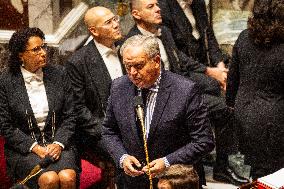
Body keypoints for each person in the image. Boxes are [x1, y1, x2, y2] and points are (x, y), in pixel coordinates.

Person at [102, 35, 214, 189]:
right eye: (128, 66)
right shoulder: (118, 87)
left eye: (139, 65)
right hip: (132, 182)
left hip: (175, 181)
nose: (132, 72)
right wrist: (122, 157)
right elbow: (108, 131)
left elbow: (204, 141)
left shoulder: (185, 90)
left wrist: (168, 161)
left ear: (156, 61)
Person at [157, 0, 249, 185]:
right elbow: (178, 57)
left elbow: (209, 37)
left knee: (225, 89)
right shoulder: (164, 8)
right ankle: (221, 163)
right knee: (222, 104)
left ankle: (220, 156)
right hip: (186, 72)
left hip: (199, 68)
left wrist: (220, 66)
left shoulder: (198, 3)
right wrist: (210, 71)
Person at [0, 27, 78, 188]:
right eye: (36, 49)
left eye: (44, 47)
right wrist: (35, 147)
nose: (43, 52)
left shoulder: (59, 74)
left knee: (67, 177)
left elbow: (70, 115)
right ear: (20, 54)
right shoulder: (6, 82)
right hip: (25, 150)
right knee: (48, 179)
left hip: (59, 145)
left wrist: (59, 143)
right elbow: (5, 126)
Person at [65, 6, 125, 188]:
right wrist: (106, 132)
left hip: (130, 122)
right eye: (109, 22)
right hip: (96, 131)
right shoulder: (78, 62)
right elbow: (78, 108)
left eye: (115, 19)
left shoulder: (128, 49)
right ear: (94, 31)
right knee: (127, 154)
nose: (116, 24)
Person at [226, 0, 284, 180]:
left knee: (259, 173)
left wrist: (232, 106)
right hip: (275, 118)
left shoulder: (244, 37)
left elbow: (232, 80)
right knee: (276, 176)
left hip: (246, 115)